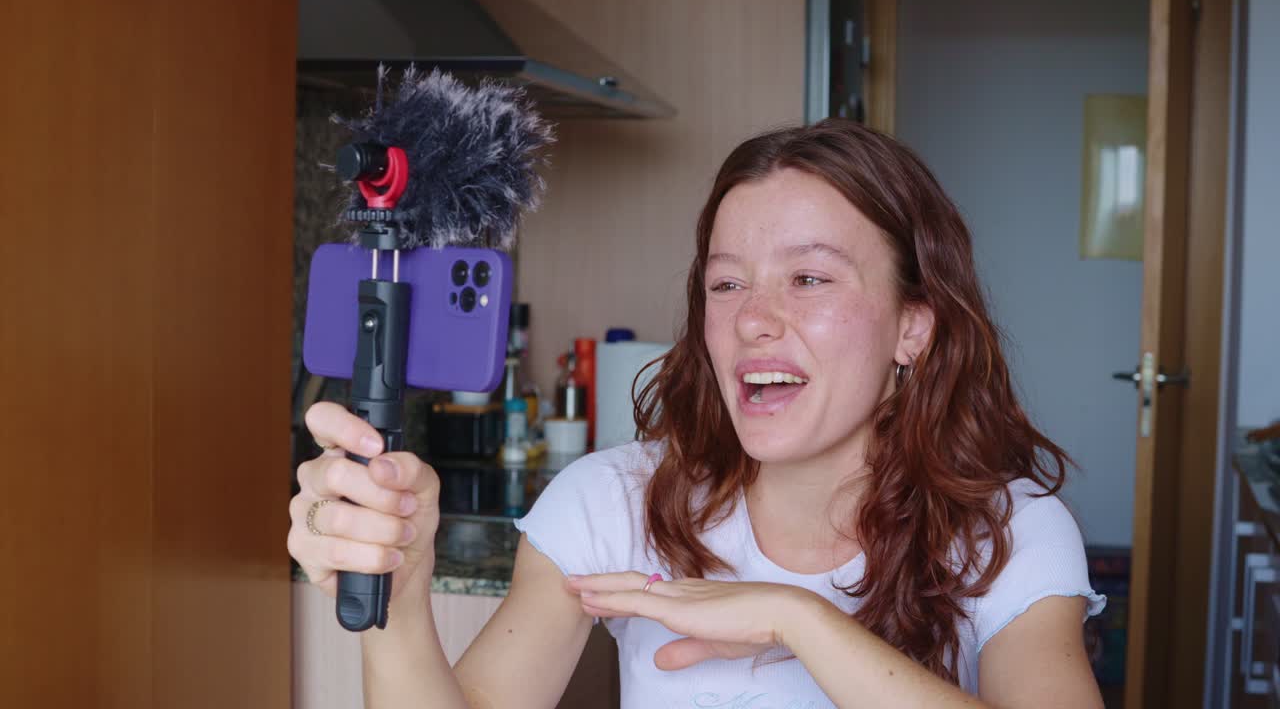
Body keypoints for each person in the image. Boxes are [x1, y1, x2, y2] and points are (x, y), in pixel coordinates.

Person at [288, 119, 1107, 708]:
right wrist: (398, 593)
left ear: (912, 326)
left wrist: (799, 621)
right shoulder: (612, 502)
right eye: (726, 283)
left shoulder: (1012, 534)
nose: (754, 317)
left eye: (810, 279)